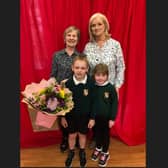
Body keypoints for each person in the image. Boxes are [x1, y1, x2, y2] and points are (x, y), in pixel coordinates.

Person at [83, 12, 125, 149]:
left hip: (109, 88)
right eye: (93, 25)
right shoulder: (88, 46)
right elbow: (85, 68)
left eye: (99, 24)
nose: (96, 27)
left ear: (105, 25)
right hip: (93, 88)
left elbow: (121, 66)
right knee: (94, 113)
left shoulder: (115, 44)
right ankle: (95, 137)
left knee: (106, 116)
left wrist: (117, 86)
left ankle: (104, 139)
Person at [61, 55, 95, 168]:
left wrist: (92, 118)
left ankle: (82, 151)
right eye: (77, 67)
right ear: (72, 68)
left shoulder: (91, 83)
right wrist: (63, 117)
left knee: (82, 135)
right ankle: (71, 152)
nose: (79, 70)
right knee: (71, 135)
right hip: (71, 117)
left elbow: (94, 102)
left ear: (87, 69)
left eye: (82, 68)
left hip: (85, 117)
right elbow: (63, 102)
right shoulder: (67, 84)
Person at [50, 26, 80, 152]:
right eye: (69, 35)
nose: (71, 38)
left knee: (76, 116)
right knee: (62, 117)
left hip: (76, 91)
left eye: (74, 36)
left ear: (77, 40)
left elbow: (84, 73)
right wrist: (53, 86)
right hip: (60, 91)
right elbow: (53, 74)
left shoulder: (81, 56)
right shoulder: (57, 55)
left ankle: (76, 138)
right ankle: (64, 138)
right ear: (64, 38)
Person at [90, 63, 118, 167]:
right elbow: (91, 102)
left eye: (103, 75)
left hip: (106, 119)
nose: (100, 78)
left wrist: (112, 118)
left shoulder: (110, 88)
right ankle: (98, 147)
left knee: (105, 136)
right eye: (98, 75)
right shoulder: (93, 86)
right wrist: (91, 117)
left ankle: (105, 152)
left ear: (107, 75)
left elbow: (115, 104)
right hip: (95, 118)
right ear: (94, 75)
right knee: (96, 134)